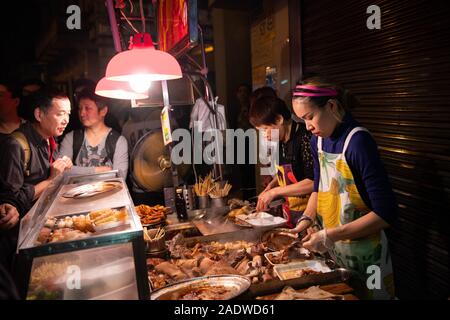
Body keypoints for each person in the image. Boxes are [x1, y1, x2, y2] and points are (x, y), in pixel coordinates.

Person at [289, 76, 397, 299]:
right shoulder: (316, 141)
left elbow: (386, 213)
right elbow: (319, 188)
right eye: (302, 120)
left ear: (331, 106)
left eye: (310, 117)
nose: (308, 127)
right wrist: (306, 219)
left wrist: (330, 235)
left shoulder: (358, 142)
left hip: (369, 256)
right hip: (336, 253)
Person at [0, 88, 72, 215]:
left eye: (68, 114)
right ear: (39, 114)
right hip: (24, 227)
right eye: (60, 114)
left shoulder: (51, 138)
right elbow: (12, 201)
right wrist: (51, 180)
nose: (66, 120)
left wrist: (64, 168)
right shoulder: (16, 145)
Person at [249, 96, 314, 228]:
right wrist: (271, 186)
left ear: (279, 119)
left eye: (265, 129)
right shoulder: (281, 139)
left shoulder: (305, 137)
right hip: (291, 210)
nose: (265, 135)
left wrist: (275, 192)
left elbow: (314, 182)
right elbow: (286, 173)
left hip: (311, 214)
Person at [58, 88, 128, 178]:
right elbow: (61, 171)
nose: (82, 113)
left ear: (103, 111)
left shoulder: (118, 141)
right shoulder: (71, 138)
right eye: (80, 108)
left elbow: (120, 177)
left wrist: (76, 171)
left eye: (88, 108)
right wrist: (97, 170)